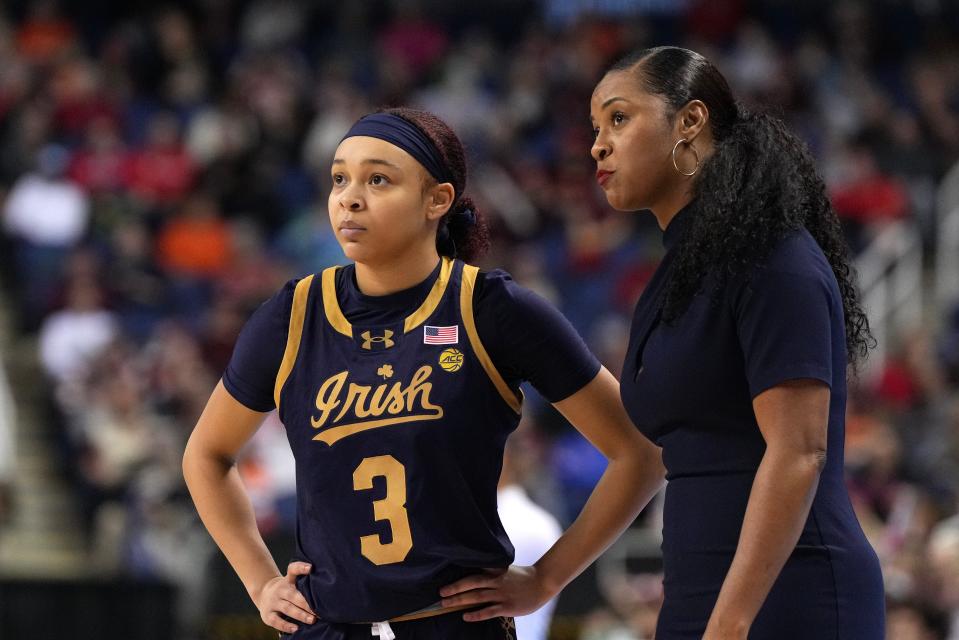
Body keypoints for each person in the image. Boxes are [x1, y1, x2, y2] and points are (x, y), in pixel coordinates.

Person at [183, 107, 666, 640]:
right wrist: (259, 582)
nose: (350, 196)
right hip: (326, 626)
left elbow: (639, 452)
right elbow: (206, 455)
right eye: (340, 178)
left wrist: (548, 578)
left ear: (437, 200)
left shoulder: (492, 308)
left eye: (379, 180)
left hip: (454, 627)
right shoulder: (292, 314)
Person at [580, 45, 884, 638]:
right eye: (595, 127)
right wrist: (543, 580)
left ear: (690, 121)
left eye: (618, 118)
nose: (597, 144)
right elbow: (645, 458)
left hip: (793, 597)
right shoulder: (673, 274)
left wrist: (730, 622)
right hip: (701, 600)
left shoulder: (774, 257)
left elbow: (799, 452)